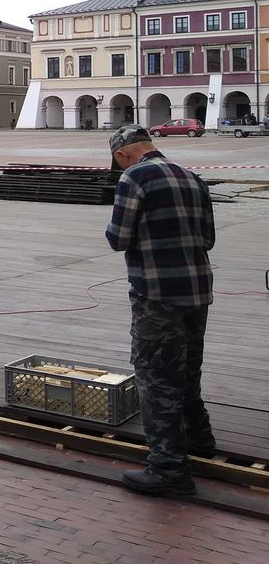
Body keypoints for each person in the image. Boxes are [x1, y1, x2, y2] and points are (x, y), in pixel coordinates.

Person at [104, 124, 216, 497]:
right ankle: (200, 438)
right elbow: (208, 239)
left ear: (122, 154)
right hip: (197, 291)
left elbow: (119, 238)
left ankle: (169, 469)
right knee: (187, 370)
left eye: (118, 162)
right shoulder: (191, 177)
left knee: (156, 377)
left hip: (157, 294)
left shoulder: (134, 178)